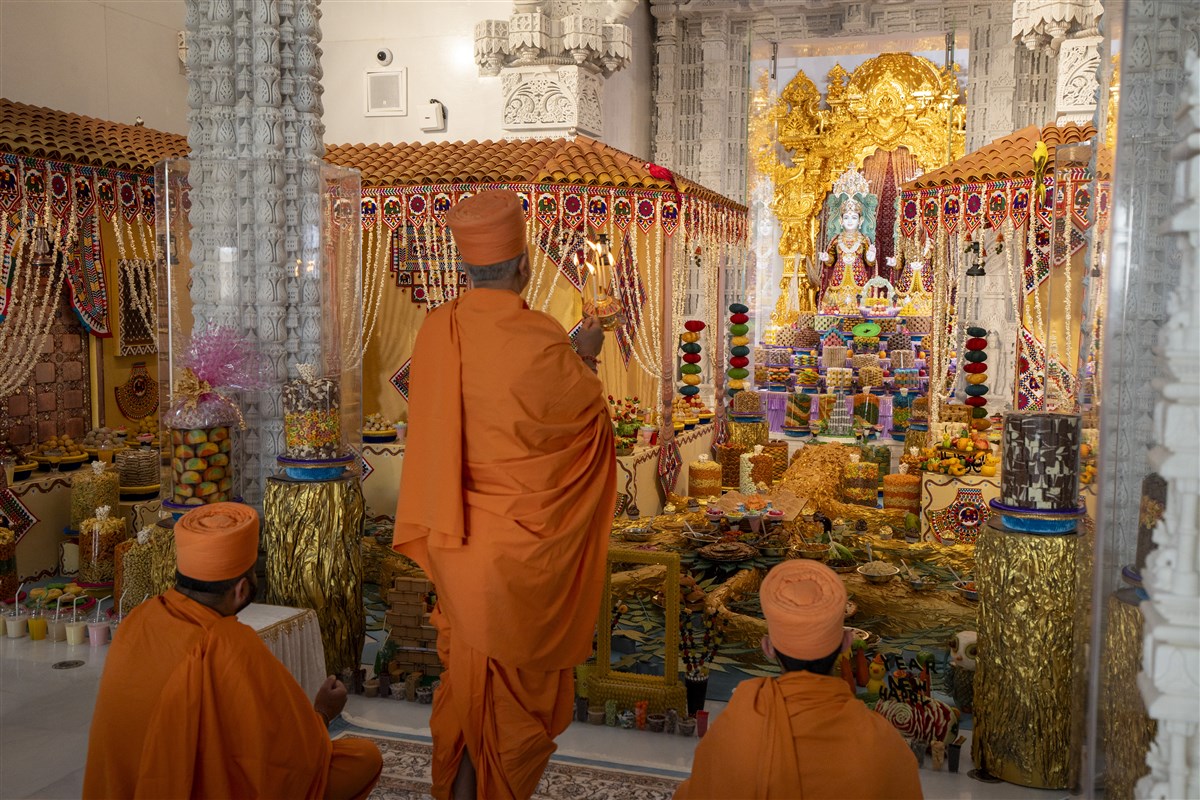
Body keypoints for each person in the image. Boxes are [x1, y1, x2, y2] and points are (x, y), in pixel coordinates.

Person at [393, 189, 616, 800]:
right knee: (507, 696)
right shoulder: (543, 338)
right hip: (523, 554)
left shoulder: (436, 332)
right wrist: (586, 357)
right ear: (523, 265)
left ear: (466, 267)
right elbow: (590, 430)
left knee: (469, 683)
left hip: (457, 542)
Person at [84, 503, 382, 799]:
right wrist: (323, 712)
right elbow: (292, 754)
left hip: (125, 788)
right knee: (363, 758)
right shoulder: (228, 643)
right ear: (241, 590)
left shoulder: (137, 619)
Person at [674, 560, 923, 799]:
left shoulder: (735, 729)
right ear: (847, 643)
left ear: (768, 648)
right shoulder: (883, 744)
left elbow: (699, 792)